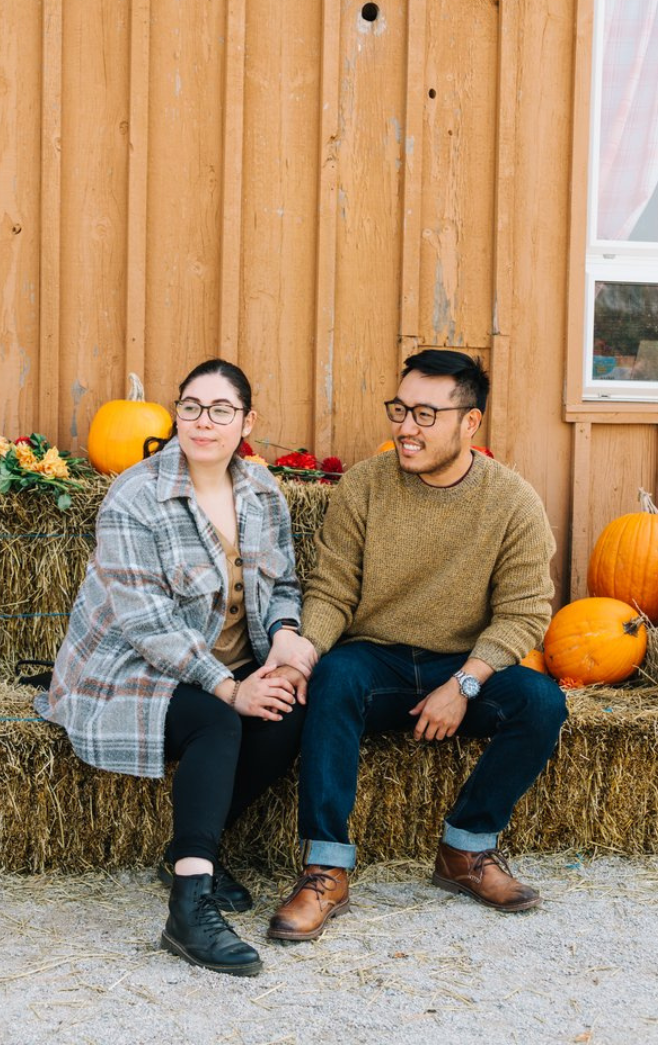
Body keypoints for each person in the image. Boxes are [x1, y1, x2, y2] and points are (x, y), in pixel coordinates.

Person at [267, 349, 567, 942]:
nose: (406, 427)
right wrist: (304, 651)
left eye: (426, 414)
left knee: (541, 703)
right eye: (401, 409)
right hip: (375, 658)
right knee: (333, 679)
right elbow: (331, 590)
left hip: (460, 661)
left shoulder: (513, 502)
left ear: (470, 423)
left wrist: (464, 684)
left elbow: (524, 614)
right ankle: (325, 868)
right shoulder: (364, 486)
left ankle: (466, 851)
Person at [35, 358, 317, 976]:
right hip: (131, 669)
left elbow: (287, 583)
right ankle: (188, 910)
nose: (203, 421)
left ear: (246, 421)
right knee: (220, 721)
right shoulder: (135, 495)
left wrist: (286, 639)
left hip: (235, 662)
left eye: (221, 410)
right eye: (190, 407)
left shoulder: (265, 494)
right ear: (176, 414)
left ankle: (192, 852)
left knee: (294, 706)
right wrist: (227, 687)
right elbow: (144, 621)